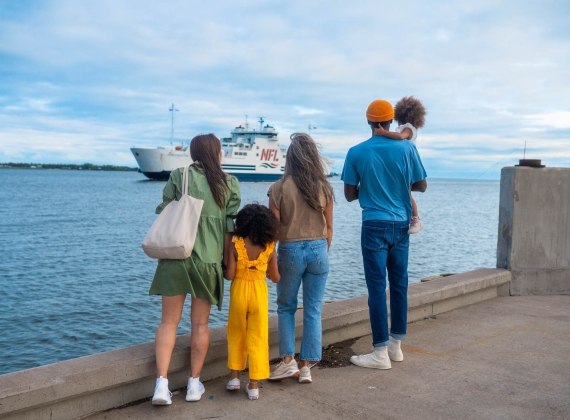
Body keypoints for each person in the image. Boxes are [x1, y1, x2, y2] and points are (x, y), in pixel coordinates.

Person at [150, 134, 241, 405]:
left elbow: (164, 213)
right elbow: (229, 230)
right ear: (218, 153)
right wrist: (227, 262)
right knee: (200, 324)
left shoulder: (180, 176)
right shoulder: (230, 183)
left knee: (168, 322)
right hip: (208, 261)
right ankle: (193, 385)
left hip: (176, 257)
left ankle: (161, 386)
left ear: (192, 153)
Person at [342, 99, 427, 370]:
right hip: (401, 224)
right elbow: (421, 186)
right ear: (391, 121)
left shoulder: (356, 152)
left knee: (376, 287)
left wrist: (370, 185)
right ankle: (396, 347)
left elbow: (348, 195)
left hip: (374, 223)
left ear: (369, 122)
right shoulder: (407, 147)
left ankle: (379, 352)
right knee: (400, 284)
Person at [267, 133, 334, 384]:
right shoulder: (324, 187)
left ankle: (287, 362)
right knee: (313, 309)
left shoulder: (278, 188)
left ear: (290, 158)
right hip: (319, 250)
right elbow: (329, 228)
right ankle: (306, 366)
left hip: (290, 250)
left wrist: (270, 259)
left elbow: (272, 233)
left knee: (285, 307)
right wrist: (320, 250)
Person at [223, 203, 280, 400]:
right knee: (257, 337)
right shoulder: (270, 247)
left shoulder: (236, 245)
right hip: (258, 293)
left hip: (239, 291)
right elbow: (275, 277)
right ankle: (254, 386)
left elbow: (229, 276)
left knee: (236, 333)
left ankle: (234, 378)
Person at [373, 96, 427, 234]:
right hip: (401, 164)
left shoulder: (408, 129)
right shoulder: (404, 128)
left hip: (406, 165)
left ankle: (416, 219)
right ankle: (412, 218)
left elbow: (401, 137)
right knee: (405, 193)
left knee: (407, 194)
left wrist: (383, 132)